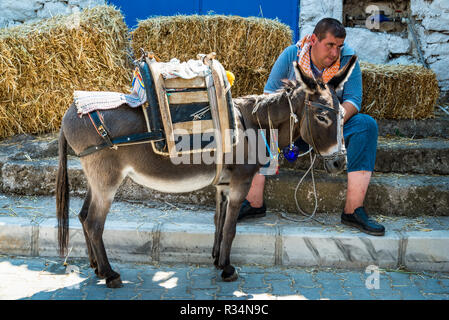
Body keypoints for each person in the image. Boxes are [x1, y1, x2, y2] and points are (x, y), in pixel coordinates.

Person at [237, 17, 385, 236]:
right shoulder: (291, 55)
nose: (335, 53)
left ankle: (353, 210)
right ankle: (253, 203)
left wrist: (330, 122)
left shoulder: (347, 59)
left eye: (339, 47)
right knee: (261, 122)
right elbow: (268, 94)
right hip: (293, 126)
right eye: (330, 45)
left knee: (366, 125)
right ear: (314, 40)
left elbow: (353, 100)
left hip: (331, 126)